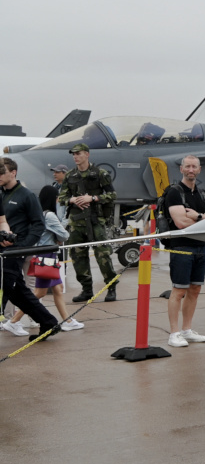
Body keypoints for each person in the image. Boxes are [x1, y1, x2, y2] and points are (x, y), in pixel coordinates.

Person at [2, 184, 79, 335]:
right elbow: (64, 235)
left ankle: (65, 321)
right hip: (46, 257)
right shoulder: (49, 215)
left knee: (56, 289)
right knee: (35, 291)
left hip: (36, 254)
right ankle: (15, 321)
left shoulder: (35, 212)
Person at [0, 158, 63, 340]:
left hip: (16, 251)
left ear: (13, 173)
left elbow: (38, 224)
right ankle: (48, 322)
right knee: (17, 291)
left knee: (8, 288)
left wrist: (24, 246)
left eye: (2, 173)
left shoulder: (27, 195)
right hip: (4, 250)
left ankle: (47, 322)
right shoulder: (1, 194)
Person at [161, 155, 205, 348]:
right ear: (181, 169)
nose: (191, 170)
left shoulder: (203, 194)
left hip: (201, 246)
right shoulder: (174, 192)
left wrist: (197, 216)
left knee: (195, 289)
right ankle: (174, 333)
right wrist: (203, 219)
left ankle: (187, 330)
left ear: (199, 170)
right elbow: (180, 222)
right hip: (181, 247)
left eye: (194, 167)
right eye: (188, 167)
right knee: (178, 290)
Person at [56, 143, 118, 302]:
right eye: (74, 154)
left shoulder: (100, 173)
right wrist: (73, 200)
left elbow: (112, 195)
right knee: (78, 257)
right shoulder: (70, 176)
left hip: (95, 221)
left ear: (87, 154)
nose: (76, 157)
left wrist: (93, 198)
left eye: (79, 153)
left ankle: (111, 287)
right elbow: (61, 198)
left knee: (103, 256)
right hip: (76, 223)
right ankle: (86, 289)